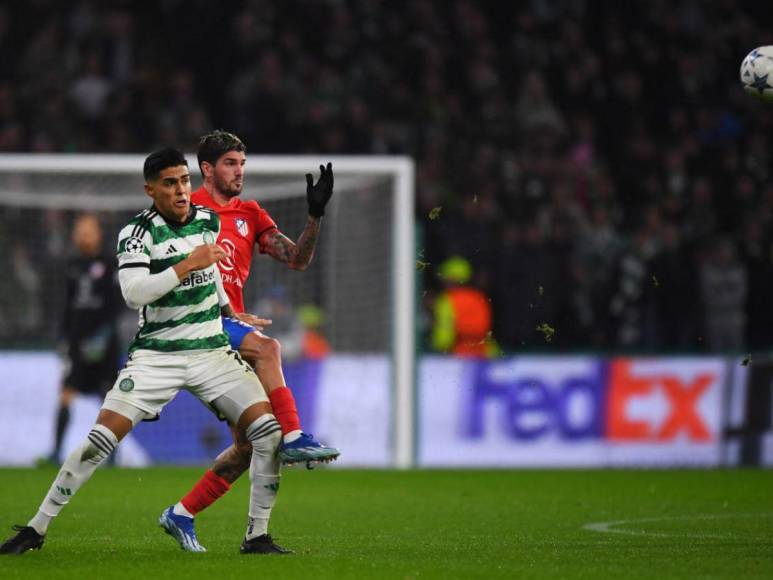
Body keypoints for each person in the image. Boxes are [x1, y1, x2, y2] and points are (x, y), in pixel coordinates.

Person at [0, 148, 290, 555]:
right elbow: (135, 294)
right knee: (98, 440)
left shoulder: (207, 220)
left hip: (211, 351)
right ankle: (36, 528)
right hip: (158, 355)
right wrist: (188, 264)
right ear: (150, 189)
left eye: (185, 181)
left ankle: (256, 536)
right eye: (169, 183)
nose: (180, 190)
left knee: (268, 434)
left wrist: (231, 312)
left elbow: (212, 275)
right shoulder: (137, 233)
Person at [159, 130, 338, 551]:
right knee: (269, 348)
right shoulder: (183, 211)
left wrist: (315, 216)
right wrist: (222, 309)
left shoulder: (251, 213)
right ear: (207, 169)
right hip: (196, 326)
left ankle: (189, 516)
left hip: (227, 332)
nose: (239, 171)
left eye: (242, 163)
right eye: (230, 164)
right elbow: (160, 271)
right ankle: (297, 436)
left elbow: (297, 259)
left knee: (253, 442)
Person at [48, 213, 122, 464]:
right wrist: (63, 338)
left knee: (109, 397)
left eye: (88, 230)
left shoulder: (110, 264)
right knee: (67, 392)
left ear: (98, 234)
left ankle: (112, 457)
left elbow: (117, 305)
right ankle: (56, 452)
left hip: (105, 342)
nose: (83, 235)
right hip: (77, 344)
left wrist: (104, 336)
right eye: (80, 231)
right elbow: (67, 307)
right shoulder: (70, 266)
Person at [431, 256, 497, 357]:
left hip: (457, 355)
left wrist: (439, 351)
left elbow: (444, 335)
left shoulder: (448, 299)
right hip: (484, 353)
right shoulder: (478, 297)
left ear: (451, 278)